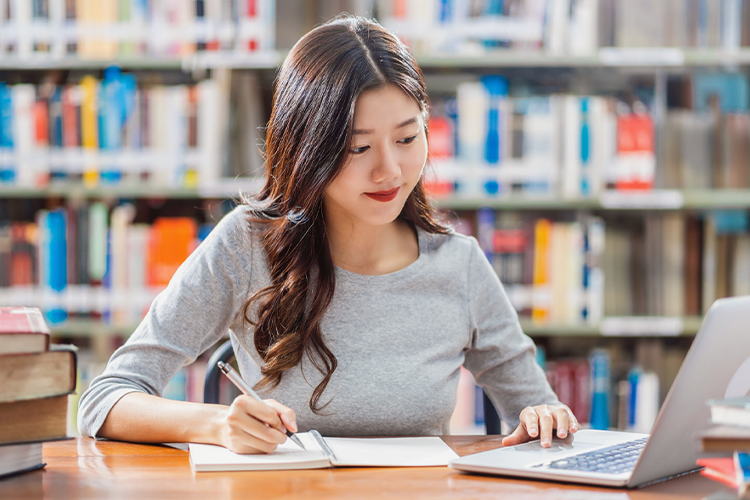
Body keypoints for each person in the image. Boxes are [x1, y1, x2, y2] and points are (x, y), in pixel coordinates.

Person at [78, 15, 578, 454]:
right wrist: (214, 424)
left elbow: (537, 413)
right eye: (358, 148)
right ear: (306, 149)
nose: (390, 171)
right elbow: (104, 399)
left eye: (407, 138)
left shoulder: (460, 265)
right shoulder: (245, 246)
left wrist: (543, 418)